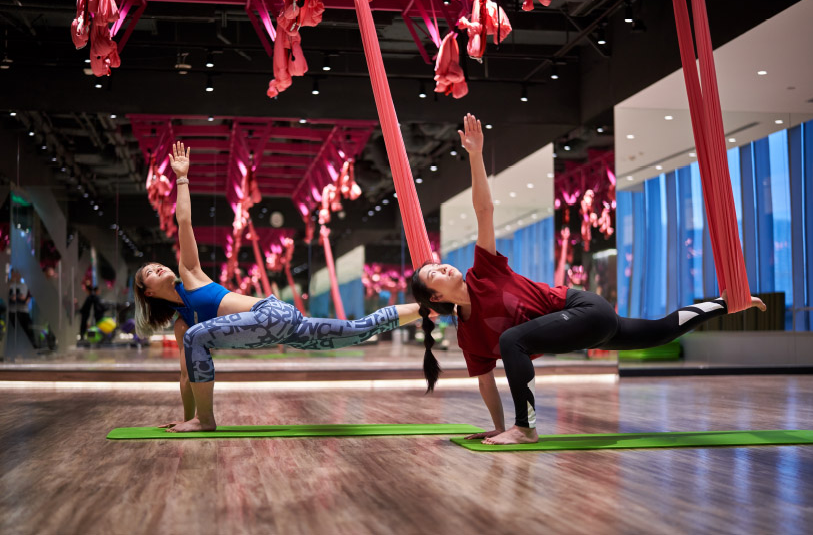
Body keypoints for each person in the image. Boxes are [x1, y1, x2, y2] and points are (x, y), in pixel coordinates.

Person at [410, 114, 767, 445]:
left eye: (438, 264)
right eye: (433, 275)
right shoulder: (468, 336)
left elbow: (484, 211)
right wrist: (498, 427)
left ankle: (526, 428)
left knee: (511, 340)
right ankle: (725, 304)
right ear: (436, 298)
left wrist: (475, 156)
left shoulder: (485, 270)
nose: (443, 268)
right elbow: (486, 382)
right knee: (659, 331)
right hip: (586, 330)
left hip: (584, 309)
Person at [134, 141, 426, 433]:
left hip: (272, 315)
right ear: (148, 292)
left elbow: (184, 222)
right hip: (284, 329)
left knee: (196, 337)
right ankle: (430, 308)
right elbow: (187, 375)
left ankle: (205, 420)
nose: (157, 267)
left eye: (156, 264)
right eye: (149, 272)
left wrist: (182, 178)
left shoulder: (191, 275)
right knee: (357, 330)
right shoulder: (182, 325)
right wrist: (186, 418)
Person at [8, 269, 35, 347]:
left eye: (17, 274)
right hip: (11, 311)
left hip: (23, 311)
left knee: (28, 330)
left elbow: (25, 299)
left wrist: (18, 298)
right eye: (13, 274)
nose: (15, 276)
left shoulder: (25, 286)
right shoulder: (8, 285)